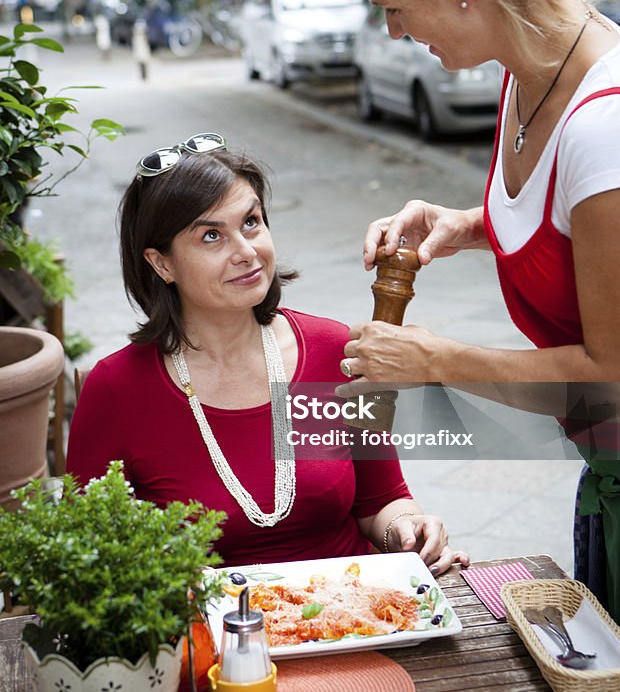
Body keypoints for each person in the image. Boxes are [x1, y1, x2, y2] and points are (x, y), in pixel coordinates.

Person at [325, 0, 620, 691]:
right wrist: (464, 224)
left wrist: (434, 359)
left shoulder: (614, 125)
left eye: (391, 7)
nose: (390, 32)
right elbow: (578, 227)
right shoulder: (532, 70)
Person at [66, 135, 467, 577]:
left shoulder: (336, 350)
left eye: (251, 222)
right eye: (212, 236)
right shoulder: (116, 390)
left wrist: (408, 531)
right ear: (162, 264)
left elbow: (381, 500)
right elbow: (90, 560)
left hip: (352, 614)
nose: (246, 251)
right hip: (206, 633)